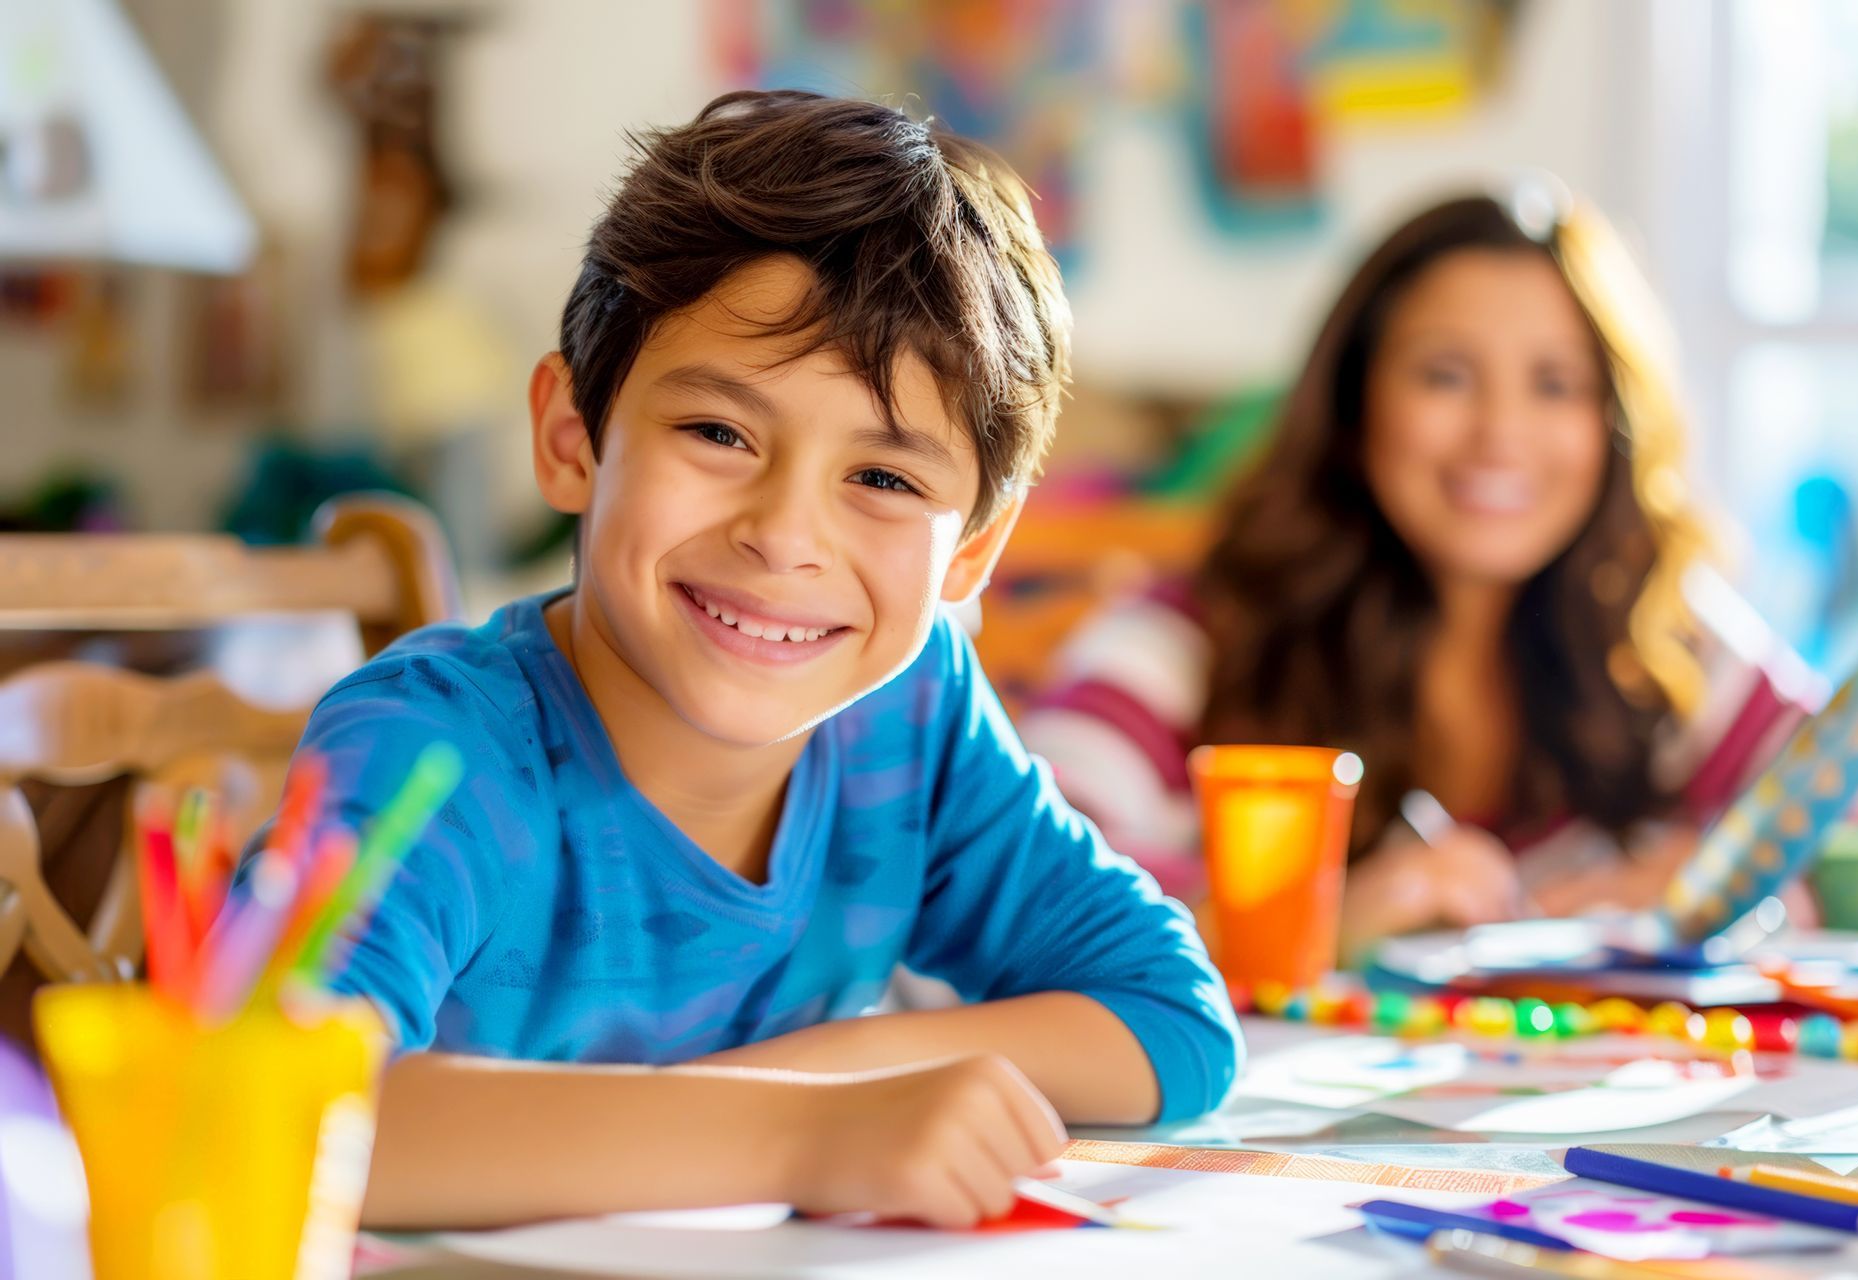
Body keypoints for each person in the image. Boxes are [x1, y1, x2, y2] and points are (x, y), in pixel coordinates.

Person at [265, 90, 1240, 1231]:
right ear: (571, 437)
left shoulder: (913, 714)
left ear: (973, 547)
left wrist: (830, 1075)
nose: (784, 535)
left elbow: (1173, 1021)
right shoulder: (437, 750)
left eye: (882, 479)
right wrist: (804, 1131)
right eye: (719, 434)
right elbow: (278, 1112)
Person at [1021, 185, 1820, 963]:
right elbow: (1015, 880)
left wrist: (1733, 890)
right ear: (1354, 400)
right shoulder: (1191, 636)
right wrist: (1317, 917)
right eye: (1446, 375)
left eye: (1556, 385)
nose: (1500, 434)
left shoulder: (1661, 639)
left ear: (1615, 424)